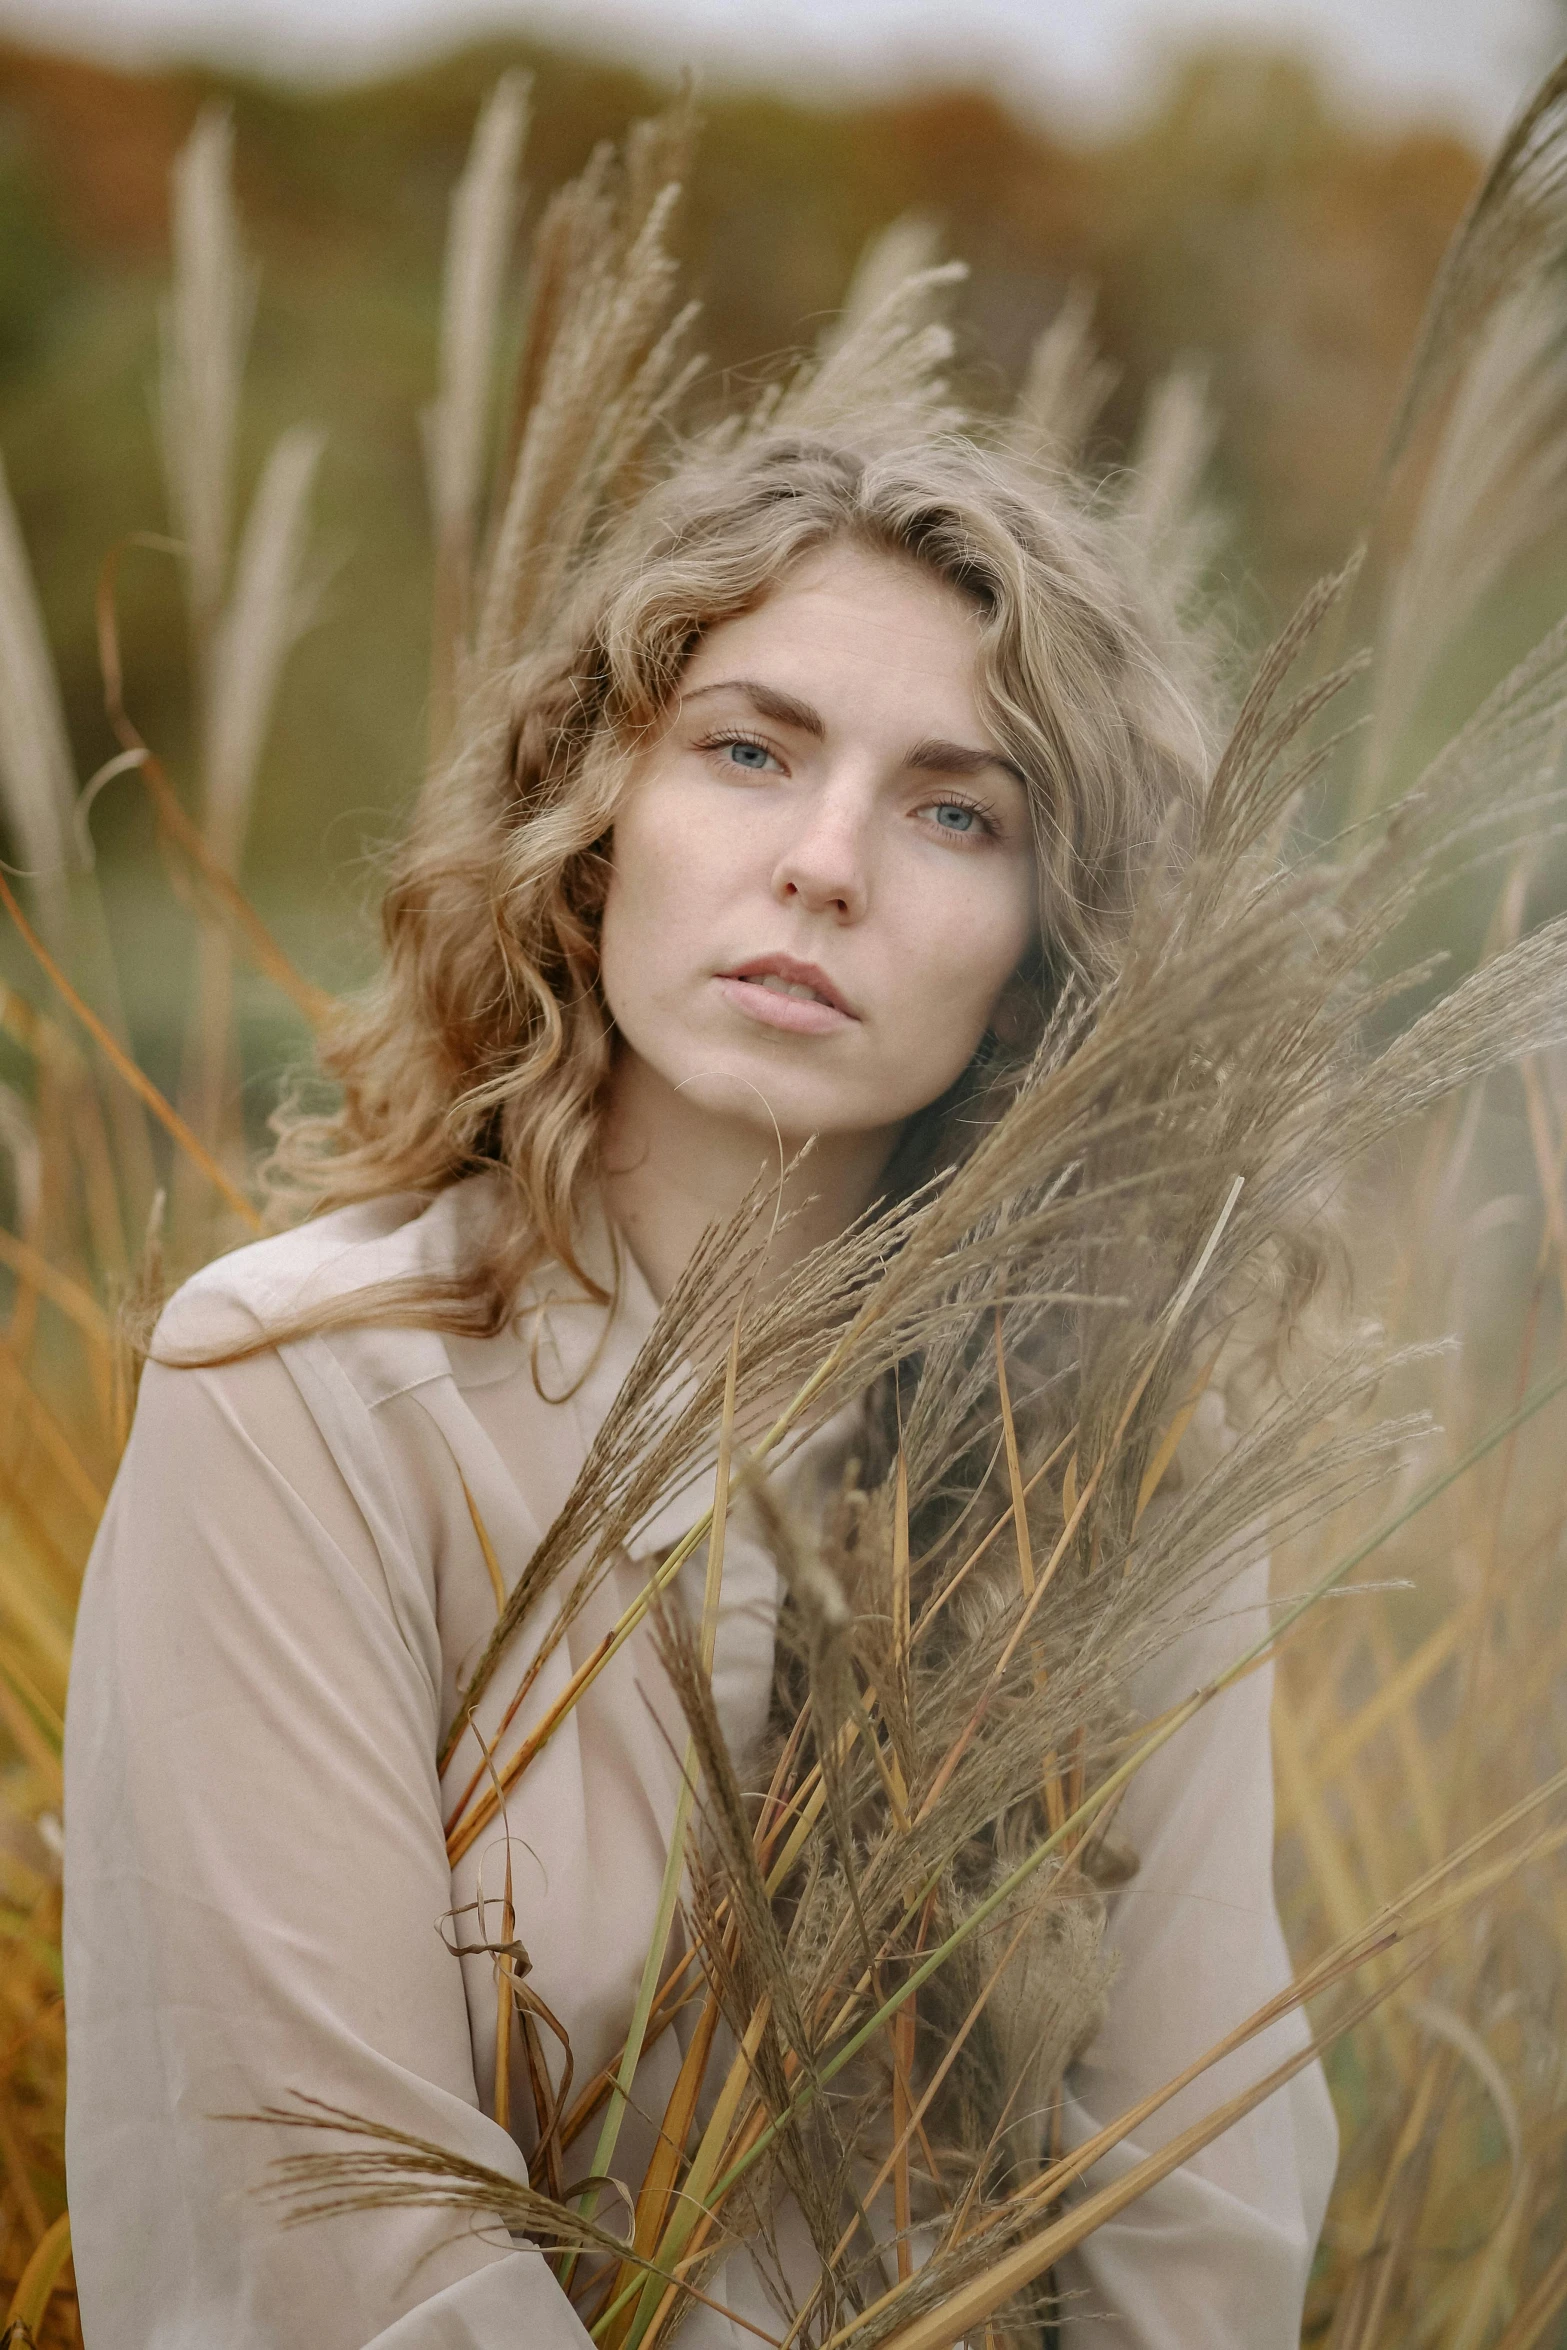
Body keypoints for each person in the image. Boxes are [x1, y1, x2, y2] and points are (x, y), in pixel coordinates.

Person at [62, 425, 1336, 2347]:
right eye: (749, 750)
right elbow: (346, 2241)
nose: (822, 867)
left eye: (954, 813)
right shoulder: (291, 1395)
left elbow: (1201, 2206)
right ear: (596, 821)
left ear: (1034, 965)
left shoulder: (1120, 1468)